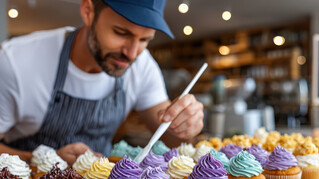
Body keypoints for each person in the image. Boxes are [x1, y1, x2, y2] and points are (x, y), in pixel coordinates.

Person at [0, 0, 204, 165]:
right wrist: (44, 161)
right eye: (121, 32)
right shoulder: (16, 61)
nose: (131, 54)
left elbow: (170, 140)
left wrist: (186, 126)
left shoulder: (142, 66)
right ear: (88, 11)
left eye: (144, 40)